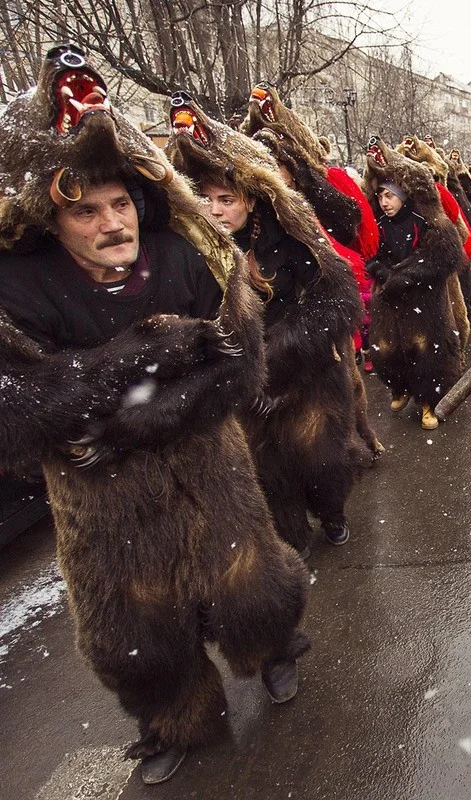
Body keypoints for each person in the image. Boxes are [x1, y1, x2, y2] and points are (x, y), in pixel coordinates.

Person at [0, 46, 309, 785]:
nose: (113, 224)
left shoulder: (190, 256)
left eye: (120, 204)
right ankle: (171, 719)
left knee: (251, 587)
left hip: (211, 471)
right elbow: (16, 415)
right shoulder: (15, 288)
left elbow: (240, 368)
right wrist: (136, 355)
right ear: (52, 219)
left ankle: (273, 654)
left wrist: (140, 419)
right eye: (86, 211)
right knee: (136, 635)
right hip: (102, 509)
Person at [168, 92, 368, 554]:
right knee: (268, 475)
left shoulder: (290, 233)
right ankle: (291, 537)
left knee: (322, 462)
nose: (215, 210)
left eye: (226, 199)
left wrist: (277, 348)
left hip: (307, 374)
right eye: (204, 199)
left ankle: (332, 511)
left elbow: (336, 299)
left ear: (251, 202)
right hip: (245, 391)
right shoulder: (192, 250)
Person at [362, 138, 466, 430]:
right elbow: (375, 253)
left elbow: (442, 257)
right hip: (391, 305)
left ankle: (428, 402)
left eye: (389, 196)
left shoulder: (429, 222)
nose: (384, 202)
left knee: (428, 351)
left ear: (404, 196)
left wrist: (406, 276)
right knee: (388, 348)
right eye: (380, 196)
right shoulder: (380, 224)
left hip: (424, 303)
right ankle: (401, 386)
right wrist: (381, 270)